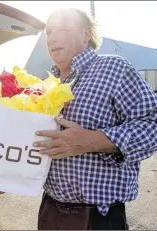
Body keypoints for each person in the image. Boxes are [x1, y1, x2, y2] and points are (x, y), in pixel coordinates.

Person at [33, 8, 157, 230]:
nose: (53, 37)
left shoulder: (114, 68)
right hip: (50, 209)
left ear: (85, 34)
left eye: (64, 28)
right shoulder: (47, 83)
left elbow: (152, 126)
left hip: (98, 218)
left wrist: (92, 140)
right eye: (49, 31)